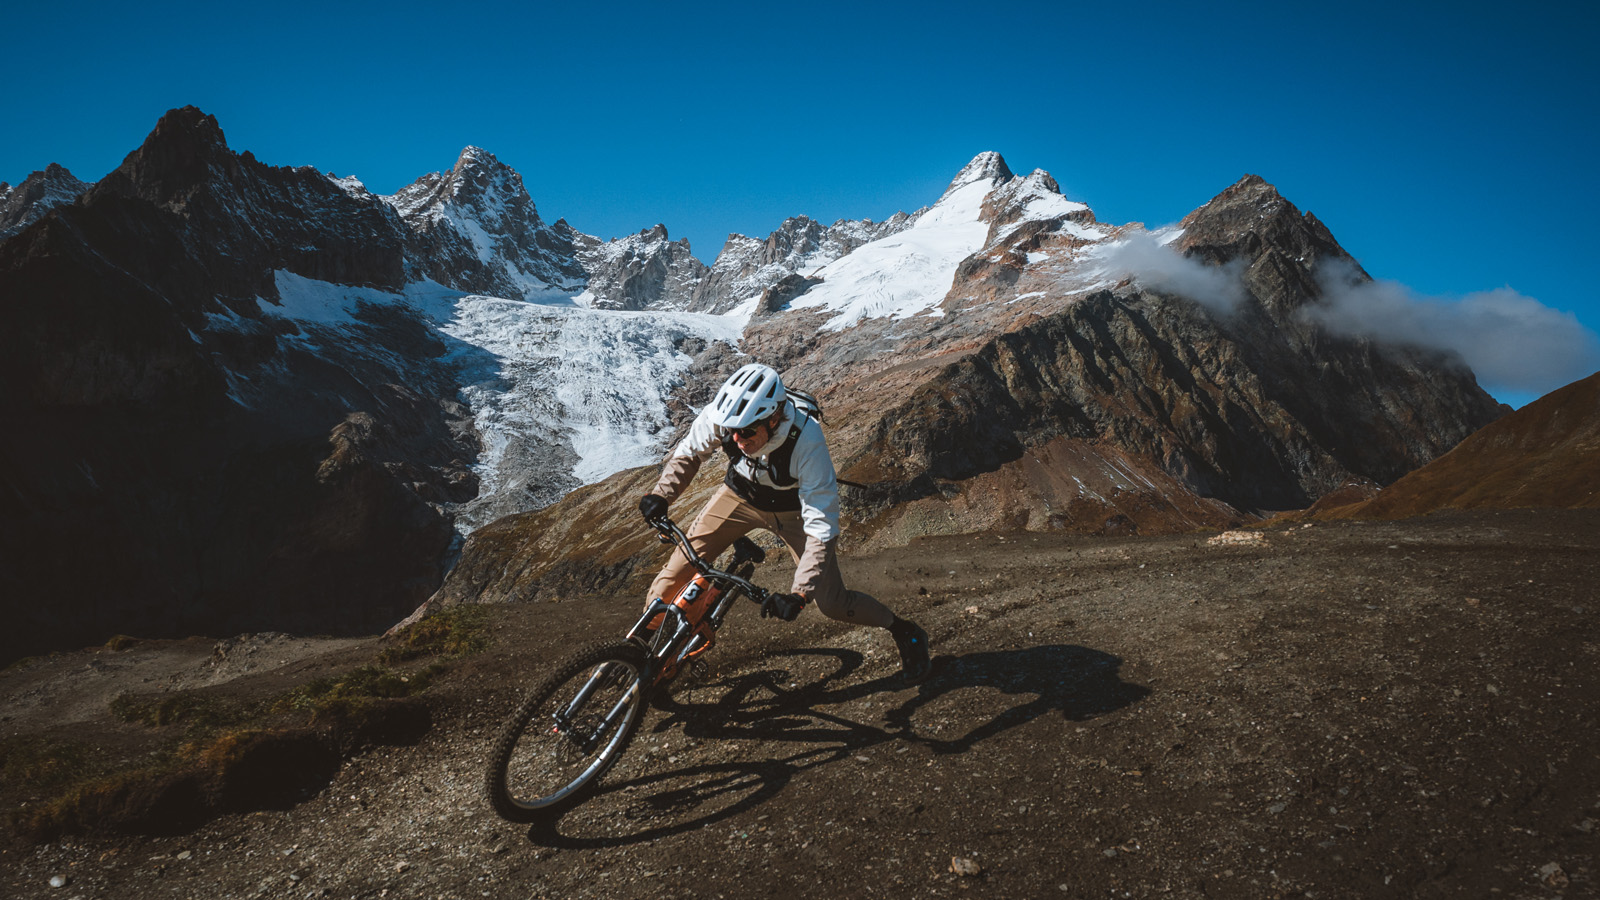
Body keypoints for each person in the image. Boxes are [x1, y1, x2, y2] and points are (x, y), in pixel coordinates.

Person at [638, 362, 932, 684]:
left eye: (747, 431)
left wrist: (799, 594)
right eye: (731, 430)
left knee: (833, 604)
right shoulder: (726, 415)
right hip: (739, 497)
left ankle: (903, 629)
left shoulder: (808, 442)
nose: (736, 438)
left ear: (774, 418)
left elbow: (821, 526)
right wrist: (662, 496)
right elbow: (690, 453)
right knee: (670, 579)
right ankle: (633, 655)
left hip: (794, 513)